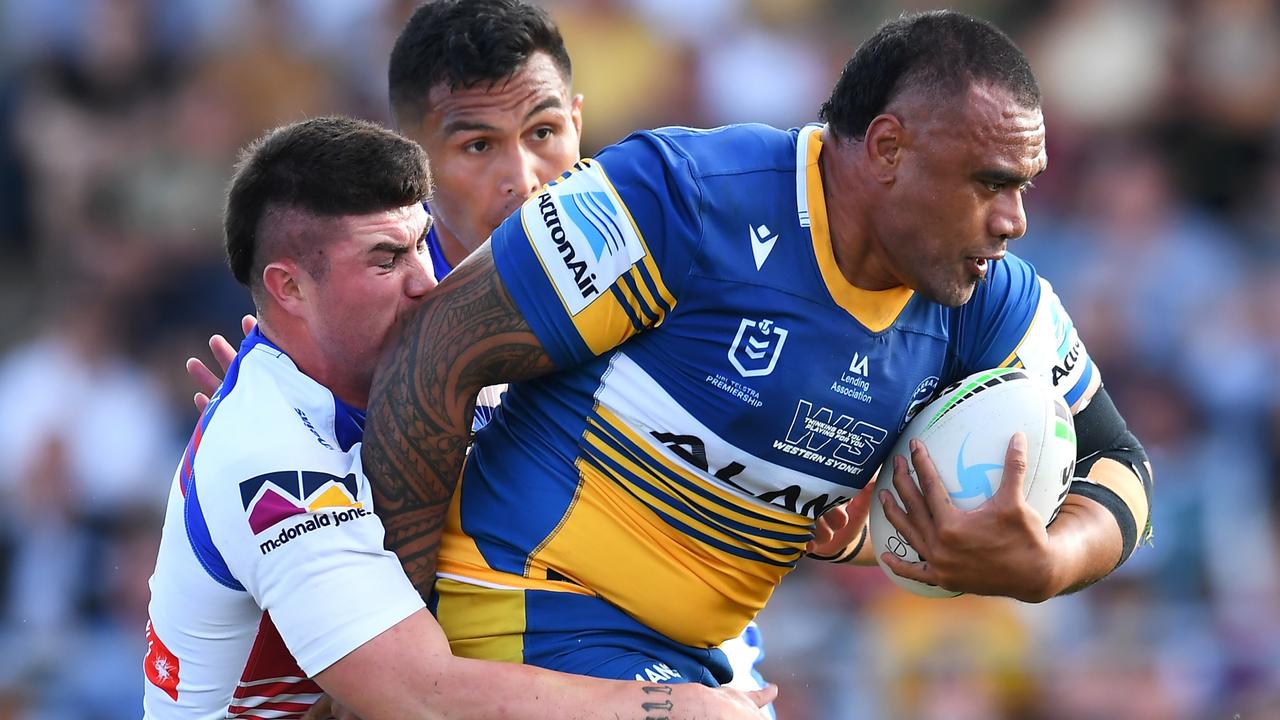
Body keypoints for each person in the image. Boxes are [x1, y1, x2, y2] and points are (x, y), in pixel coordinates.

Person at [361, 8, 1154, 689]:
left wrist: (1049, 562)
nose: (1014, 219)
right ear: (886, 150)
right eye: (989, 182)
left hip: (706, 651)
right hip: (533, 604)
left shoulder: (983, 296)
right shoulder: (680, 198)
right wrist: (403, 658)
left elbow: (1118, 460)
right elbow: (431, 359)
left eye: (1025, 184)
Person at [187, 0, 781, 703]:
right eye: (478, 146)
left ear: (579, 121)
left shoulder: (657, 282)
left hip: (658, 649)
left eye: (544, 132)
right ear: (414, 156)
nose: (523, 177)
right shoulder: (368, 329)